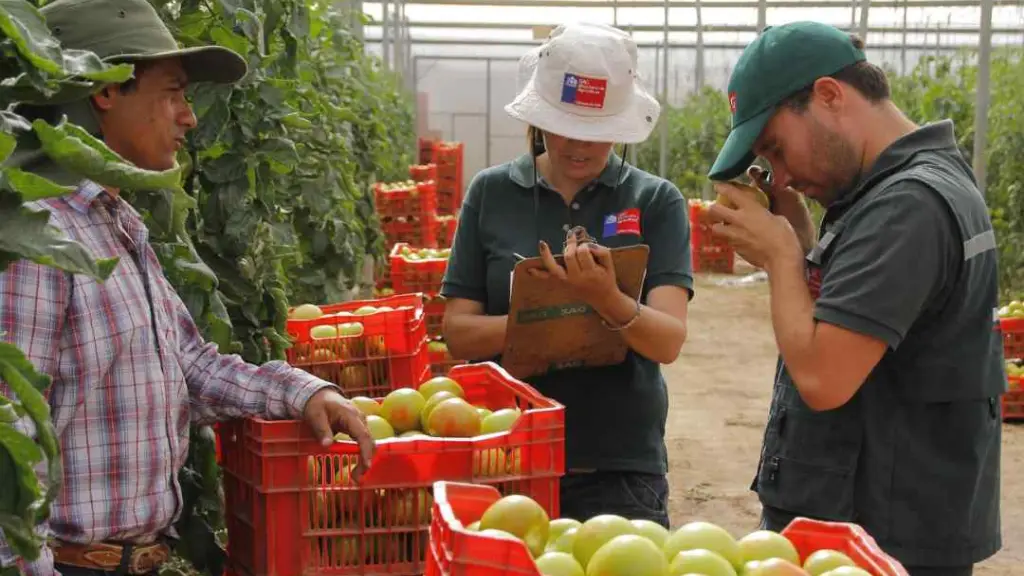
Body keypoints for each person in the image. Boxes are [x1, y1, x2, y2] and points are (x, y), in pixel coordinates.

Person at [0, 0, 376, 574]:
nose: (189, 117)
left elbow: (189, 365)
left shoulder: (114, 223)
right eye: (172, 92)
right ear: (106, 88)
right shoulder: (37, 239)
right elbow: (11, 455)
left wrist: (303, 393)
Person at [705, 21, 1004, 576]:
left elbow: (823, 377)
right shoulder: (905, 188)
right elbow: (869, 322)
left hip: (878, 539)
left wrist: (781, 259)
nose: (783, 175)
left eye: (776, 147)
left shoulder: (907, 206)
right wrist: (802, 243)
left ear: (829, 96)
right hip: (875, 520)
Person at [440, 22, 693, 529]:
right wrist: (545, 321)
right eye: (564, 127)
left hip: (617, 463)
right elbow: (457, 332)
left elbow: (667, 341)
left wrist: (606, 298)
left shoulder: (656, 201)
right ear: (539, 120)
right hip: (507, 452)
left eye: (598, 133)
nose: (580, 146)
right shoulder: (491, 193)